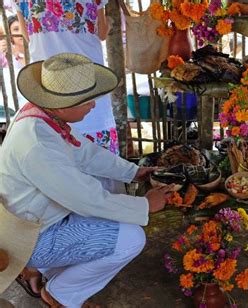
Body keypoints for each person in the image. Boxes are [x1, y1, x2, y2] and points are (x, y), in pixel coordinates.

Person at [0, 53, 173, 307]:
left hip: (38, 220)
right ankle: (59, 295)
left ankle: (60, 285)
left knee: (111, 222)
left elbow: (83, 152)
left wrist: (131, 171)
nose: (92, 106)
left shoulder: (40, 115)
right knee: (131, 238)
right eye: (88, 101)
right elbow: (87, 199)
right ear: (61, 105)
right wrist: (145, 205)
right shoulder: (38, 144)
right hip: (31, 237)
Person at [16, 0, 118, 154]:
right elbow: (102, 32)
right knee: (97, 154)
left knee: (52, 146)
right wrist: (109, 22)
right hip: (87, 80)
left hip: (48, 83)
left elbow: (27, 35)